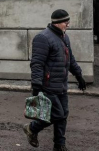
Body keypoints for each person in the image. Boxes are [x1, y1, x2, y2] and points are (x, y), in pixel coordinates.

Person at [23, 9, 86, 151]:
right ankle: (31, 128)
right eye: (66, 22)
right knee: (58, 114)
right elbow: (37, 63)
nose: (68, 25)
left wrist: (79, 75)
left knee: (63, 115)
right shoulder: (43, 38)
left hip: (61, 85)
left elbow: (70, 59)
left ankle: (59, 145)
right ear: (57, 23)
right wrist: (36, 85)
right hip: (48, 86)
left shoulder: (64, 37)